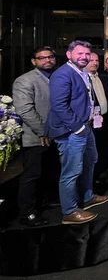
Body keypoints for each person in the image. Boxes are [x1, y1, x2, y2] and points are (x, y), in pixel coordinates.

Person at [46, 40, 108, 225]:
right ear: (69, 54)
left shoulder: (81, 73)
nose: (84, 57)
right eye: (80, 53)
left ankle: (87, 197)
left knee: (91, 160)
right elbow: (59, 106)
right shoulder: (62, 74)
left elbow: (85, 100)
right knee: (71, 171)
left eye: (87, 54)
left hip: (85, 126)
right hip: (72, 131)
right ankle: (69, 211)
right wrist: (79, 128)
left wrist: (92, 117)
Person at [13, 46, 58, 227]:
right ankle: (27, 213)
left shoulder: (54, 78)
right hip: (36, 137)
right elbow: (25, 110)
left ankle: (42, 203)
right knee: (32, 175)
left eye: (50, 57)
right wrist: (42, 131)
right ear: (34, 61)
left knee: (47, 172)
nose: (47, 60)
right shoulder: (25, 80)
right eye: (42, 58)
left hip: (53, 135)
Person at [84, 52, 108, 188]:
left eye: (97, 60)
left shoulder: (102, 77)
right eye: (91, 60)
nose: (95, 63)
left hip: (105, 117)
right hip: (92, 120)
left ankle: (104, 170)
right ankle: (95, 177)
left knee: (105, 146)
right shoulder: (83, 79)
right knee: (94, 149)